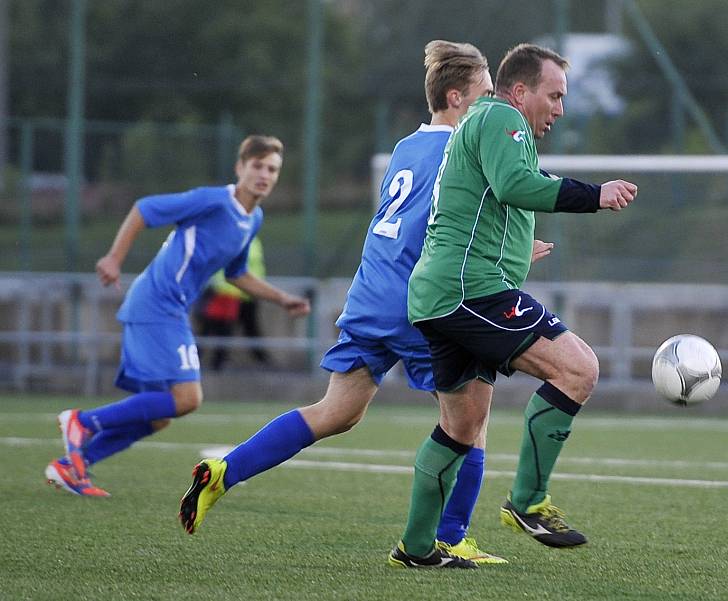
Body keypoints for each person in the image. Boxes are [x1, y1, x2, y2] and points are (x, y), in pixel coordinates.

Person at [178, 40, 522, 566]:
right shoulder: (462, 153)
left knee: (335, 411)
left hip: (369, 295)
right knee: (471, 419)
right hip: (416, 301)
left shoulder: (407, 148)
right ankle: (450, 537)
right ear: (457, 98)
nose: (494, 105)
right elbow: (447, 233)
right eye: (487, 94)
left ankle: (227, 471)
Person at [389, 43, 638, 568]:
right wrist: (596, 195)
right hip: (467, 290)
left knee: (461, 426)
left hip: (441, 293)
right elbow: (515, 185)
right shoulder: (503, 116)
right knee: (579, 368)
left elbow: (488, 199)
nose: (560, 108)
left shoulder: (481, 120)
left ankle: (414, 549)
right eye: (555, 95)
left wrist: (514, 254)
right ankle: (528, 502)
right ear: (520, 90)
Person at [45, 135, 310, 497]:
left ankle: (72, 468)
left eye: (272, 169)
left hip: (169, 309)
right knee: (187, 399)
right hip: (157, 303)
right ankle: (82, 421)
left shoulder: (253, 218)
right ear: (240, 168)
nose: (264, 174)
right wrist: (114, 258)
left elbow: (237, 274)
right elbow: (144, 208)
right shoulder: (214, 200)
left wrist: (282, 299)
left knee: (158, 416)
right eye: (258, 166)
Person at [198, 236, 272, 371]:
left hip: (245, 294)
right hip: (227, 292)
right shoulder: (233, 235)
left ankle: (261, 360)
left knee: (241, 329)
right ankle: (210, 362)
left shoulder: (251, 238)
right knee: (214, 328)